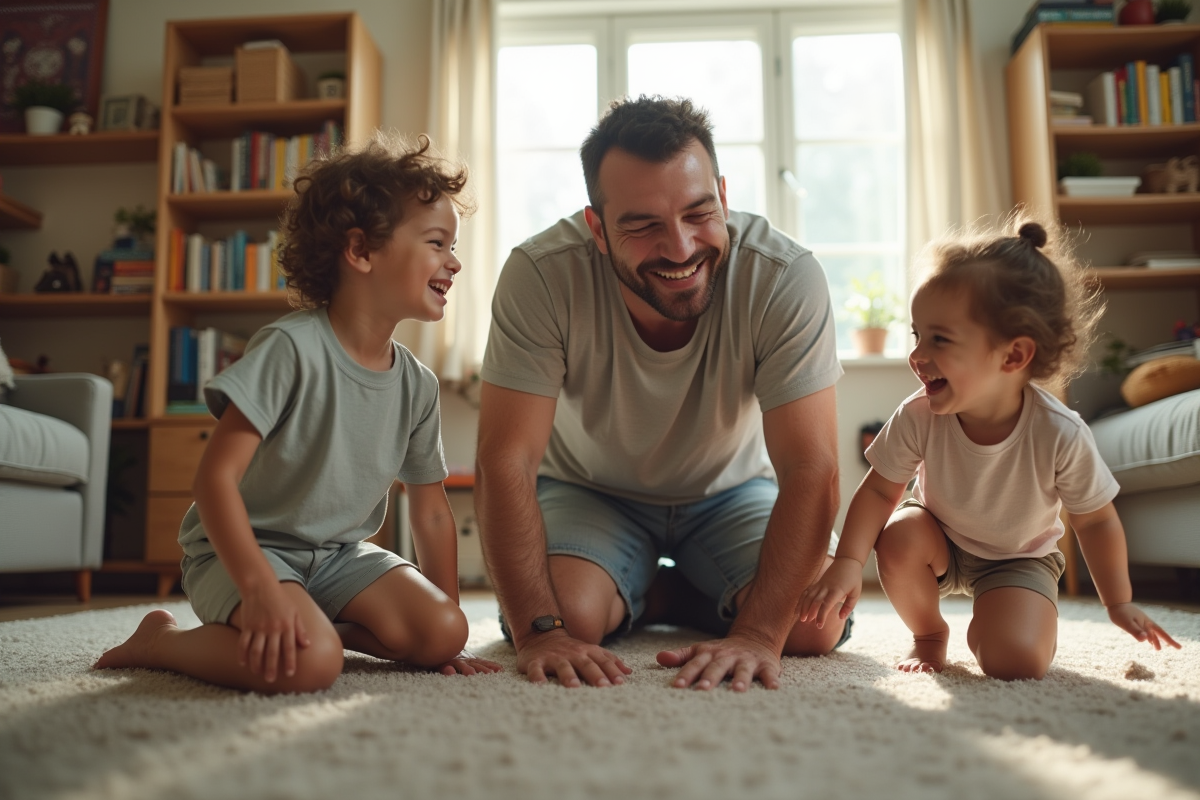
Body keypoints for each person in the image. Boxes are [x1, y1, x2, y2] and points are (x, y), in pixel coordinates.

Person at [95, 135, 501, 692]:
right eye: (437, 243)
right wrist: (260, 588)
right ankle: (162, 640)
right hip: (241, 554)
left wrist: (448, 633)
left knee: (440, 632)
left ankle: (321, 627)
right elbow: (214, 481)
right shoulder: (289, 349)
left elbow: (430, 513)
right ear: (360, 251)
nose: (453, 262)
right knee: (311, 666)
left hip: (340, 558)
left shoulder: (417, 384)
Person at [475, 95, 847, 692]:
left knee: (811, 627)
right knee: (570, 619)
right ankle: (662, 587)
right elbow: (505, 460)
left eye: (699, 213)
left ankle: (661, 591)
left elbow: (813, 468)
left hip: (732, 491)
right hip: (590, 491)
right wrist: (539, 632)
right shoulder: (540, 273)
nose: (680, 247)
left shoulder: (783, 276)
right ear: (597, 228)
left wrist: (756, 635)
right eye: (643, 224)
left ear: (723, 196)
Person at [798, 217, 1180, 679]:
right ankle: (929, 633)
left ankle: (1008, 625)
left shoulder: (1060, 432)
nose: (917, 355)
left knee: (1014, 662)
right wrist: (847, 563)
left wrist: (1117, 602)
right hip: (939, 539)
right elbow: (880, 492)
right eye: (918, 335)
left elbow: (1095, 519)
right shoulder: (920, 413)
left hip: (1020, 558)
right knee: (899, 535)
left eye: (939, 339)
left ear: (1013, 356)